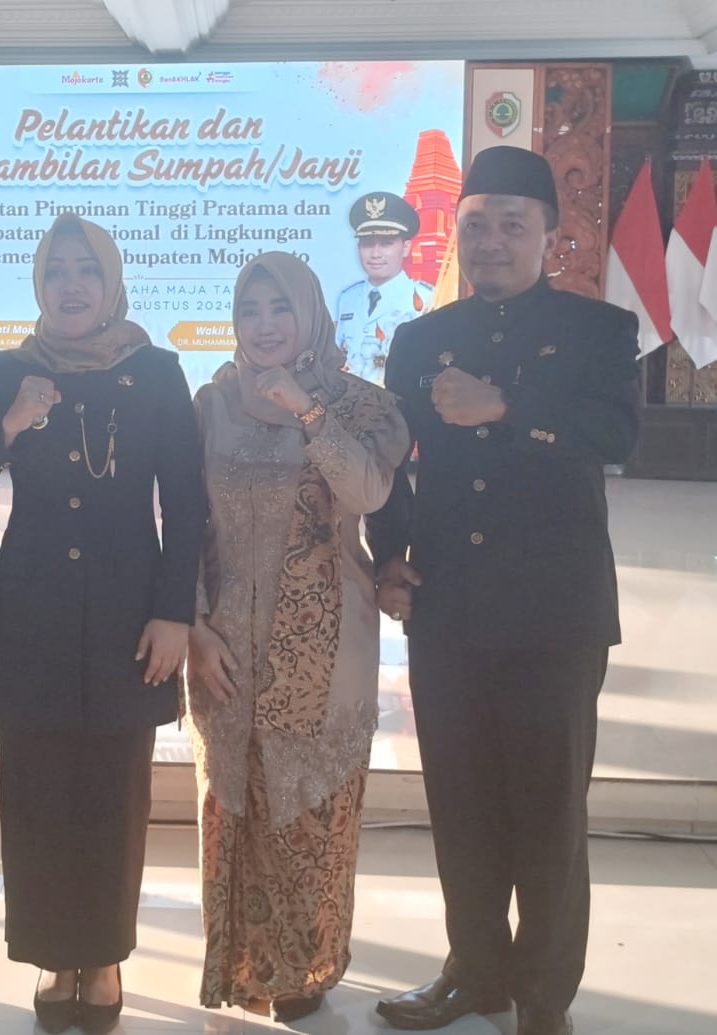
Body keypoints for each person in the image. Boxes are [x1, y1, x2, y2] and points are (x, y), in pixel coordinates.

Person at [367, 146, 640, 1035]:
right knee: (463, 805)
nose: (491, 239)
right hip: (448, 605)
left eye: (512, 224)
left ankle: (544, 995)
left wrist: (509, 406)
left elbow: (616, 433)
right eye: (476, 223)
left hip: (555, 614)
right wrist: (389, 552)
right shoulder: (420, 339)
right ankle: (475, 971)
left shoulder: (600, 331)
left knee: (549, 813)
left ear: (550, 236)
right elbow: (390, 462)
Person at [0, 213, 206, 1034]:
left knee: (113, 795)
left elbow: (187, 502)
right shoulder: (9, 370)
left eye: (86, 269)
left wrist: (175, 612)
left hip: (131, 614)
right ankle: (55, 955)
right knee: (38, 792)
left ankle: (105, 954)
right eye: (56, 270)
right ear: (38, 284)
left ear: (111, 280)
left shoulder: (156, 371)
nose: (71, 285)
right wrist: (10, 421)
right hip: (34, 612)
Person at [187, 252, 408, 1025]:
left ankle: (305, 967)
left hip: (326, 645)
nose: (265, 324)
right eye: (250, 310)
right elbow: (185, 523)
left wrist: (309, 412)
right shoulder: (213, 403)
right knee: (236, 803)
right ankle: (243, 965)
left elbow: (369, 492)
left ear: (310, 313)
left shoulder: (361, 404)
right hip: (225, 644)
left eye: (280, 307)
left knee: (311, 809)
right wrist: (192, 623)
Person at [334, 191, 432, 385]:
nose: (375, 254)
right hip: (352, 399)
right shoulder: (347, 298)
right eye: (367, 244)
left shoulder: (427, 298)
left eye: (386, 244)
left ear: (405, 247)